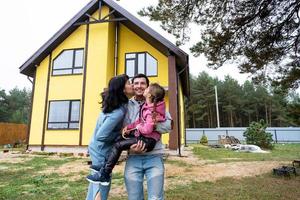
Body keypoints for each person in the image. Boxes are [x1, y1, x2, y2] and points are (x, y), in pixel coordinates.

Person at [86, 83, 166, 186]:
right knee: (119, 138)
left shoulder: (152, 111)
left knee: (118, 145)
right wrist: (128, 128)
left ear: (150, 95)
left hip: (148, 141)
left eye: (146, 88)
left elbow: (147, 129)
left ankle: (105, 174)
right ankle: (104, 166)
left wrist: (137, 128)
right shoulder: (147, 106)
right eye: (135, 83)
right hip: (144, 137)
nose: (143, 88)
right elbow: (139, 121)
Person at [124, 74, 172, 200]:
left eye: (142, 83)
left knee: (156, 198)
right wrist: (129, 148)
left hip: (154, 156)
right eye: (136, 83)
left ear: (148, 88)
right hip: (133, 157)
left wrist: (152, 125)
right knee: (134, 198)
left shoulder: (157, 103)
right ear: (132, 86)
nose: (139, 86)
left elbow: (169, 125)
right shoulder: (126, 106)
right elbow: (122, 130)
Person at [86, 74, 133, 200]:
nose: (132, 85)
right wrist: (121, 134)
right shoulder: (117, 112)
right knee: (102, 187)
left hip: (96, 148)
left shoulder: (115, 105)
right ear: (122, 89)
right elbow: (101, 135)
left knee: (95, 184)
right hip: (101, 152)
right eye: (129, 83)